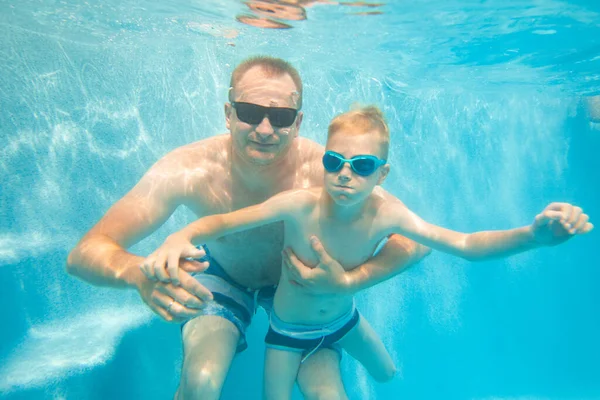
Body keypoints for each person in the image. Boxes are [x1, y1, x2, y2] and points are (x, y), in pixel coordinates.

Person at [141, 106, 593, 399]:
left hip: (345, 322)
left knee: (388, 375)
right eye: (334, 162)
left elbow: (467, 245)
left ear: (382, 174)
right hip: (286, 332)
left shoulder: (387, 214)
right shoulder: (299, 205)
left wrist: (533, 235)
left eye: (361, 167)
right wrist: (177, 238)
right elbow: (222, 222)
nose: (344, 175)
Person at [66, 56, 430, 400]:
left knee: (328, 394)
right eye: (250, 113)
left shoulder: (330, 171)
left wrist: (351, 281)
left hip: (300, 287)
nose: (265, 129)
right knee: (200, 383)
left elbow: (415, 241)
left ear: (298, 122)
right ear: (228, 114)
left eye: (281, 116)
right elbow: (85, 252)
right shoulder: (190, 169)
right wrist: (136, 274)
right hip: (221, 273)